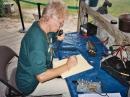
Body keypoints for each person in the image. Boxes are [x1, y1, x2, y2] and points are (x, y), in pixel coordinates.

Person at [15, 0, 77, 97]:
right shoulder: (36, 41)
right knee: (69, 85)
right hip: (31, 84)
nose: (61, 26)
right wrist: (67, 66)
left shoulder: (42, 26)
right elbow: (42, 76)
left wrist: (56, 37)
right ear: (49, 18)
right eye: (60, 23)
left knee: (67, 72)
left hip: (39, 70)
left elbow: (51, 36)